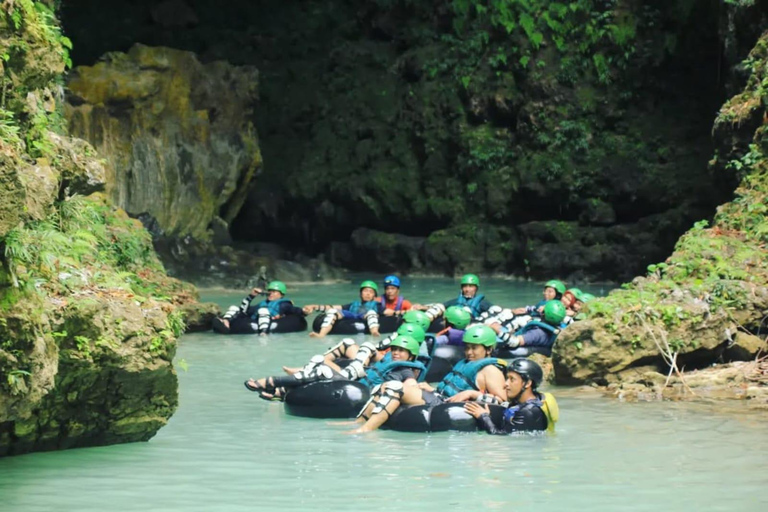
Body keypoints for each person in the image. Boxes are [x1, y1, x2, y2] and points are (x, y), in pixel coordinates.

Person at [349, 324, 507, 433]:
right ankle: (359, 421)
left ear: (488, 349)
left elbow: (502, 401)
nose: (469, 352)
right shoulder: (465, 363)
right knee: (386, 386)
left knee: (395, 387)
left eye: (474, 348)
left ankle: (365, 431)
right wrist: (431, 388)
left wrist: (473, 394)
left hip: (445, 406)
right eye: (467, 347)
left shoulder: (490, 370)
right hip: (439, 397)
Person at [244, 335, 424, 400]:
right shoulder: (388, 360)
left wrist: (417, 387)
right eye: (395, 349)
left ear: (411, 356)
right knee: (319, 364)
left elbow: (410, 385)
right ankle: (280, 392)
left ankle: (272, 382)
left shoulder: (405, 370)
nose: (396, 353)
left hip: (361, 392)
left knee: (322, 371)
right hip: (356, 381)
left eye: (402, 351)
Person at [465, 358, 558, 433]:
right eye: (507, 378)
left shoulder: (529, 412)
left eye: (512, 379)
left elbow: (501, 436)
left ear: (527, 383)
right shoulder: (519, 402)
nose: (505, 384)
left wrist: (483, 416)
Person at [213, 281, 306, 335]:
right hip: (256, 319)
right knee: (234, 307)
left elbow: (294, 310)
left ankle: (263, 333)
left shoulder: (284, 304)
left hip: (268, 320)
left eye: (274, 292)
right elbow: (244, 310)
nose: (271, 293)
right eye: (270, 291)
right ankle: (225, 322)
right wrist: (251, 296)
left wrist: (303, 311)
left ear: (281, 294)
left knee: (263, 310)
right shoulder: (263, 303)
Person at [304, 280, 384, 338]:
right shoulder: (353, 305)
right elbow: (334, 307)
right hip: (352, 316)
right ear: (360, 294)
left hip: (365, 316)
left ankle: (374, 332)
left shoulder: (377, 305)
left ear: (374, 296)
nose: (368, 293)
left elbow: (388, 312)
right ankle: (321, 334)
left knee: (371, 313)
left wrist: (395, 313)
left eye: (371, 292)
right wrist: (314, 306)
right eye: (365, 291)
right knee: (332, 311)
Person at [412, 274, 494, 323]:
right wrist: (423, 307)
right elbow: (441, 306)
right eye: (465, 286)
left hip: (471, 326)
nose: (467, 289)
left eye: (471, 286)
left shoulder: (483, 303)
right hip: (454, 325)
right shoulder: (456, 301)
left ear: (476, 288)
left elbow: (495, 312)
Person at [495, 300, 567, 357]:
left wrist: (496, 330)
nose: (541, 308)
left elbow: (515, 342)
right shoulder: (556, 328)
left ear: (543, 313)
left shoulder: (538, 333)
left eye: (544, 308)